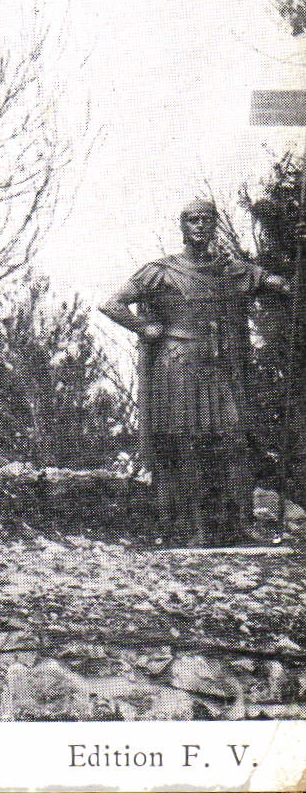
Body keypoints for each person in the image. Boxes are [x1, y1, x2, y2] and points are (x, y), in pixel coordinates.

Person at [98, 198, 293, 546]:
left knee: (234, 441)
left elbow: (278, 285)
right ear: (182, 226)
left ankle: (239, 524)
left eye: (206, 219)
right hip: (179, 365)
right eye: (192, 220)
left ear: (215, 224)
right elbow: (111, 304)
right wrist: (144, 327)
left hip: (220, 365)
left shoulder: (232, 270)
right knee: (184, 443)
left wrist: (292, 274)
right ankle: (187, 528)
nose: (200, 226)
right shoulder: (162, 271)